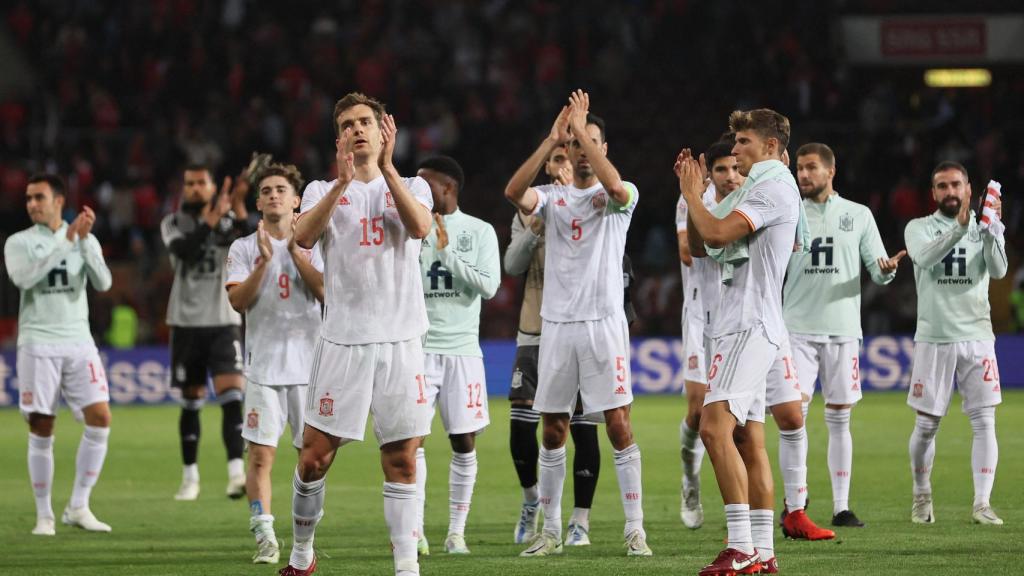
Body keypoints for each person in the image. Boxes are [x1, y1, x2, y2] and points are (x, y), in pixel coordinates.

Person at [278, 92, 434, 576]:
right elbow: (300, 238)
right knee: (313, 459)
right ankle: (302, 555)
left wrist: (387, 170)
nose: (358, 129)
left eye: (366, 121)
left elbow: (420, 227)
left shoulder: (413, 185)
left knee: (403, 460)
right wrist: (340, 185)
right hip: (343, 342)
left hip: (401, 342)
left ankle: (406, 568)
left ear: (385, 128)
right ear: (338, 137)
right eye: (348, 124)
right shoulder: (321, 189)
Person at [505, 90, 651, 558]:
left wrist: (580, 133)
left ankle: (635, 529)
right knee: (551, 430)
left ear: (603, 150)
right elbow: (512, 193)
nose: (582, 152)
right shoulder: (551, 199)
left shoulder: (618, 196)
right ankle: (549, 531)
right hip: (558, 328)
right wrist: (552, 140)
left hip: (604, 326)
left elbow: (616, 190)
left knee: (618, 425)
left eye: (592, 143)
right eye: (576, 146)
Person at [677, 108, 800, 575]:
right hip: (749, 321)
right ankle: (765, 554)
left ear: (770, 146)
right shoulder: (755, 186)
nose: (736, 149)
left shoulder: (770, 185)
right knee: (749, 439)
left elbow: (715, 232)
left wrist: (691, 193)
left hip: (747, 323)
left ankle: (741, 546)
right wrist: (695, 197)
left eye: (744, 141)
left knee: (712, 428)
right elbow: (701, 247)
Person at [784, 143, 905, 529]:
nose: (803, 175)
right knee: (793, 417)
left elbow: (878, 269)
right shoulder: (789, 212)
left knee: (839, 419)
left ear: (831, 171)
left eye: (811, 168)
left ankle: (840, 507)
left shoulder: (858, 215)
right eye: (800, 168)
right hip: (796, 329)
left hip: (842, 330)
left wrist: (887, 270)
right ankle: (794, 504)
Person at [225, 161, 325, 564]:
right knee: (261, 457)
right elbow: (237, 301)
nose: (273, 195)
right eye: (265, 190)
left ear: (297, 199)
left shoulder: (317, 243)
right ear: (258, 201)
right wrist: (265, 263)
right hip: (263, 369)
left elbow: (325, 291)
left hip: (311, 370)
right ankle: (264, 534)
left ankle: (306, 538)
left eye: (281, 189)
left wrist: (295, 252)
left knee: (312, 461)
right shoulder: (244, 248)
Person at [5, 173, 113, 536]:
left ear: (58, 201)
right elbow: (25, 279)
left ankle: (79, 506)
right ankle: (44, 515)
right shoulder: (18, 242)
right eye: (28, 198)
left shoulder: (84, 239)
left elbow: (103, 283)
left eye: (39, 197)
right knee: (42, 425)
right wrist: (66, 242)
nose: (32, 204)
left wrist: (82, 244)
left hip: (79, 341)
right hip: (38, 342)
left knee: (100, 417)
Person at [905, 161, 1007, 525]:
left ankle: (982, 503)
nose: (950, 192)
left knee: (984, 421)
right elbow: (923, 258)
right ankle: (921, 494)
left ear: (968, 189)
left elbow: (998, 271)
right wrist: (959, 230)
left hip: (978, 337)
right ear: (933, 193)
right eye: (942, 186)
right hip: (935, 338)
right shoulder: (918, 227)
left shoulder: (984, 227)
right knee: (927, 425)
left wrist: (992, 232)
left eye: (956, 185)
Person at [412, 155, 500, 556]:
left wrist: (446, 254)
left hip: (462, 352)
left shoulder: (479, 231)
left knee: (464, 441)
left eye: (424, 185)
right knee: (411, 440)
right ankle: (414, 531)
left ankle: (455, 532)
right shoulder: (411, 231)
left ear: (447, 188)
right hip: (418, 348)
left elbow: (489, 286)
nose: (417, 191)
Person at [160, 164, 253, 501]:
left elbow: (254, 245)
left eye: (202, 182)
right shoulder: (172, 222)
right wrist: (213, 220)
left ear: (213, 186)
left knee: (232, 398)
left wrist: (240, 208)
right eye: (190, 183)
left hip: (223, 320)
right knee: (191, 403)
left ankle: (235, 474)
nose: (196, 188)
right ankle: (190, 477)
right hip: (185, 323)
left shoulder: (230, 222)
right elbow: (184, 252)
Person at [675, 139, 742, 530]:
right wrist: (698, 201)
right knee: (699, 409)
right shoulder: (691, 201)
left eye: (735, 168)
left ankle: (742, 508)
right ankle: (689, 476)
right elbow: (689, 251)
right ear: (710, 174)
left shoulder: (752, 201)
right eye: (721, 170)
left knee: (740, 420)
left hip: (737, 316)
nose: (730, 176)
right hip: (700, 317)